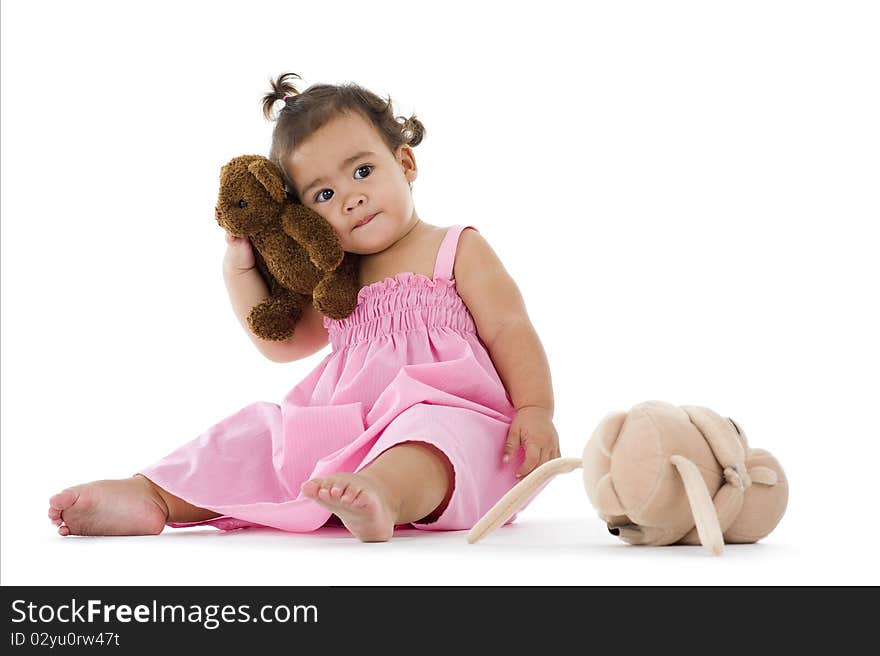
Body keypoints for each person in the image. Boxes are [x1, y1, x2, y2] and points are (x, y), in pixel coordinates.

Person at [48, 72, 560, 542]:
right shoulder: (336, 279)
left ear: (405, 163)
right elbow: (284, 344)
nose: (351, 199)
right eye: (324, 194)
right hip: (347, 427)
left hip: (454, 421)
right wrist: (240, 269)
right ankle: (156, 494)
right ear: (304, 217)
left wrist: (536, 410)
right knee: (258, 433)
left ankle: (382, 493)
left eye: (363, 170)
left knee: (429, 437)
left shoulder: (456, 247)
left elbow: (509, 327)